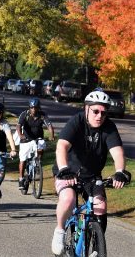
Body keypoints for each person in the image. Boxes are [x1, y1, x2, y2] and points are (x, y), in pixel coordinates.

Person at [51, 90, 131, 256]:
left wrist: (119, 172)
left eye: (103, 112)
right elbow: (62, 147)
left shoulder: (109, 127)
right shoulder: (77, 121)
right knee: (68, 199)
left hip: (92, 176)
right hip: (68, 171)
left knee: (100, 207)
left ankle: (95, 243)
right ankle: (59, 231)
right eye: (95, 111)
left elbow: (117, 152)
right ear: (86, 109)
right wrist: (64, 169)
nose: (99, 116)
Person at [16, 97, 55, 189]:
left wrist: (51, 135)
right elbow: (18, 126)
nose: (34, 109)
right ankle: (21, 178)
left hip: (38, 138)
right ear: (29, 107)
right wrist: (21, 135)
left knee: (41, 146)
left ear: (38, 108)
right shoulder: (24, 114)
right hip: (26, 139)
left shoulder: (42, 115)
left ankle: (38, 162)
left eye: (36, 107)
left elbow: (49, 125)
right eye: (32, 107)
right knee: (23, 159)